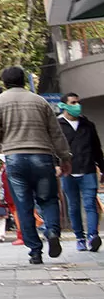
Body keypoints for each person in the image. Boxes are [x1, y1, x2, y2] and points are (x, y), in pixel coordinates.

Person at [0, 66, 72, 264]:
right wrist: (65, 157)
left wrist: (4, 138)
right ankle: (52, 232)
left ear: (4, 82)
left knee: (23, 205)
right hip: (42, 157)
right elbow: (56, 132)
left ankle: (35, 251)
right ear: (24, 80)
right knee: (48, 200)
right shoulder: (39, 101)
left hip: (15, 158)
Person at [57, 93, 103, 252]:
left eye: (78, 102)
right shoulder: (58, 125)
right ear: (64, 105)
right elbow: (53, 149)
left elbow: (97, 149)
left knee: (90, 204)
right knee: (74, 206)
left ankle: (92, 236)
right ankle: (80, 237)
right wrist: (56, 166)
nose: (77, 105)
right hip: (68, 173)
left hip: (88, 170)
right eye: (73, 102)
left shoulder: (88, 125)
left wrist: (102, 168)